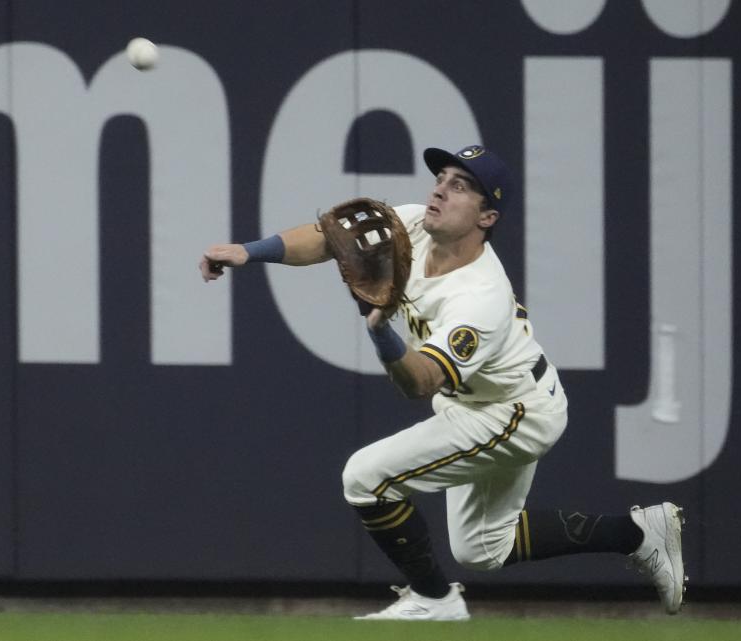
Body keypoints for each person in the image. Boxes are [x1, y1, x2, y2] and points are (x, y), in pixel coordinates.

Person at [199, 144, 685, 621]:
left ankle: (433, 597)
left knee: (365, 477)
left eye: (460, 186)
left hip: (513, 411)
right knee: (482, 550)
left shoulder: (479, 296)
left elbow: (422, 382)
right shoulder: (411, 224)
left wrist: (382, 332)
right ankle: (640, 533)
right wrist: (249, 251)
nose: (439, 191)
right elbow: (331, 237)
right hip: (485, 399)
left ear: (486, 217)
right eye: (440, 179)